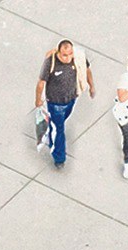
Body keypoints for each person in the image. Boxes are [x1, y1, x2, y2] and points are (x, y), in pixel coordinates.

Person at [35, 40, 94, 169]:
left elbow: (87, 70)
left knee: (57, 125)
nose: (68, 58)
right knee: (59, 129)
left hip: (71, 99)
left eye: (70, 54)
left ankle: (52, 129)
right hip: (55, 104)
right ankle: (59, 157)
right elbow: (41, 83)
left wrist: (91, 86)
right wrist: (38, 100)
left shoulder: (78, 58)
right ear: (58, 52)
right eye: (64, 55)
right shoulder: (50, 63)